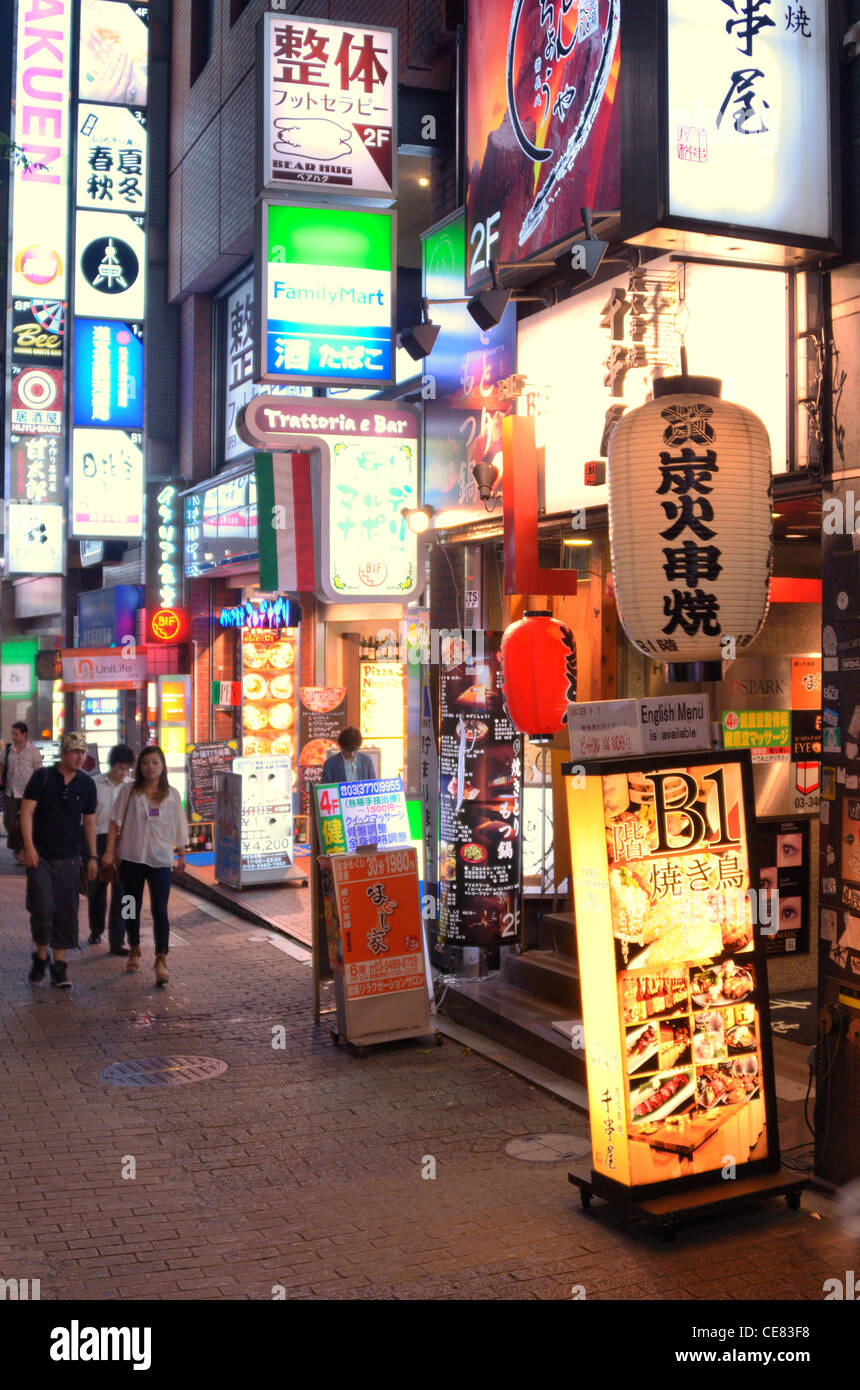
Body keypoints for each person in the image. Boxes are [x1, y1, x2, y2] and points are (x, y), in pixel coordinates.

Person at [103, 746, 188, 986]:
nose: (149, 767)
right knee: (130, 905)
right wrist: (109, 852)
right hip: (131, 857)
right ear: (139, 767)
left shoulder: (172, 794)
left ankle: (161, 958)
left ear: (162, 767)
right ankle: (134, 947)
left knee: (160, 908)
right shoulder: (130, 791)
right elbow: (113, 823)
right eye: (145, 763)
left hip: (160, 859)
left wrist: (181, 854)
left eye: (154, 763)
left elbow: (179, 826)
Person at [20, 731, 98, 989]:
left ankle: (60, 966)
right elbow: (26, 812)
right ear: (63, 753)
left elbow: (89, 822)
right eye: (75, 751)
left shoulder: (86, 784)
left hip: (70, 857)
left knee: (67, 910)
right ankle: (41, 957)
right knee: (42, 907)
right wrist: (29, 846)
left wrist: (92, 856)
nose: (79, 757)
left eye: (83, 752)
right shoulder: (42, 778)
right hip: (41, 856)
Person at [88, 744, 136, 952]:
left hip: (125, 842)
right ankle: (96, 930)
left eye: (127, 769)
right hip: (99, 840)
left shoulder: (133, 787)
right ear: (111, 765)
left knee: (125, 893)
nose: (123, 773)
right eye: (119, 768)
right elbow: (87, 818)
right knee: (97, 890)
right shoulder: (95, 784)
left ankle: (119, 940)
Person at [2, 722, 42, 864]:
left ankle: (25, 849)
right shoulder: (8, 750)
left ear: (24, 734)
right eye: (12, 734)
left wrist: (39, 789)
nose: (13, 736)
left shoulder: (33, 751)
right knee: (9, 821)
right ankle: (18, 846)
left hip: (28, 793)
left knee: (28, 821)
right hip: (10, 791)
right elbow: (2, 764)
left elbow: (39, 771)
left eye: (16, 734)